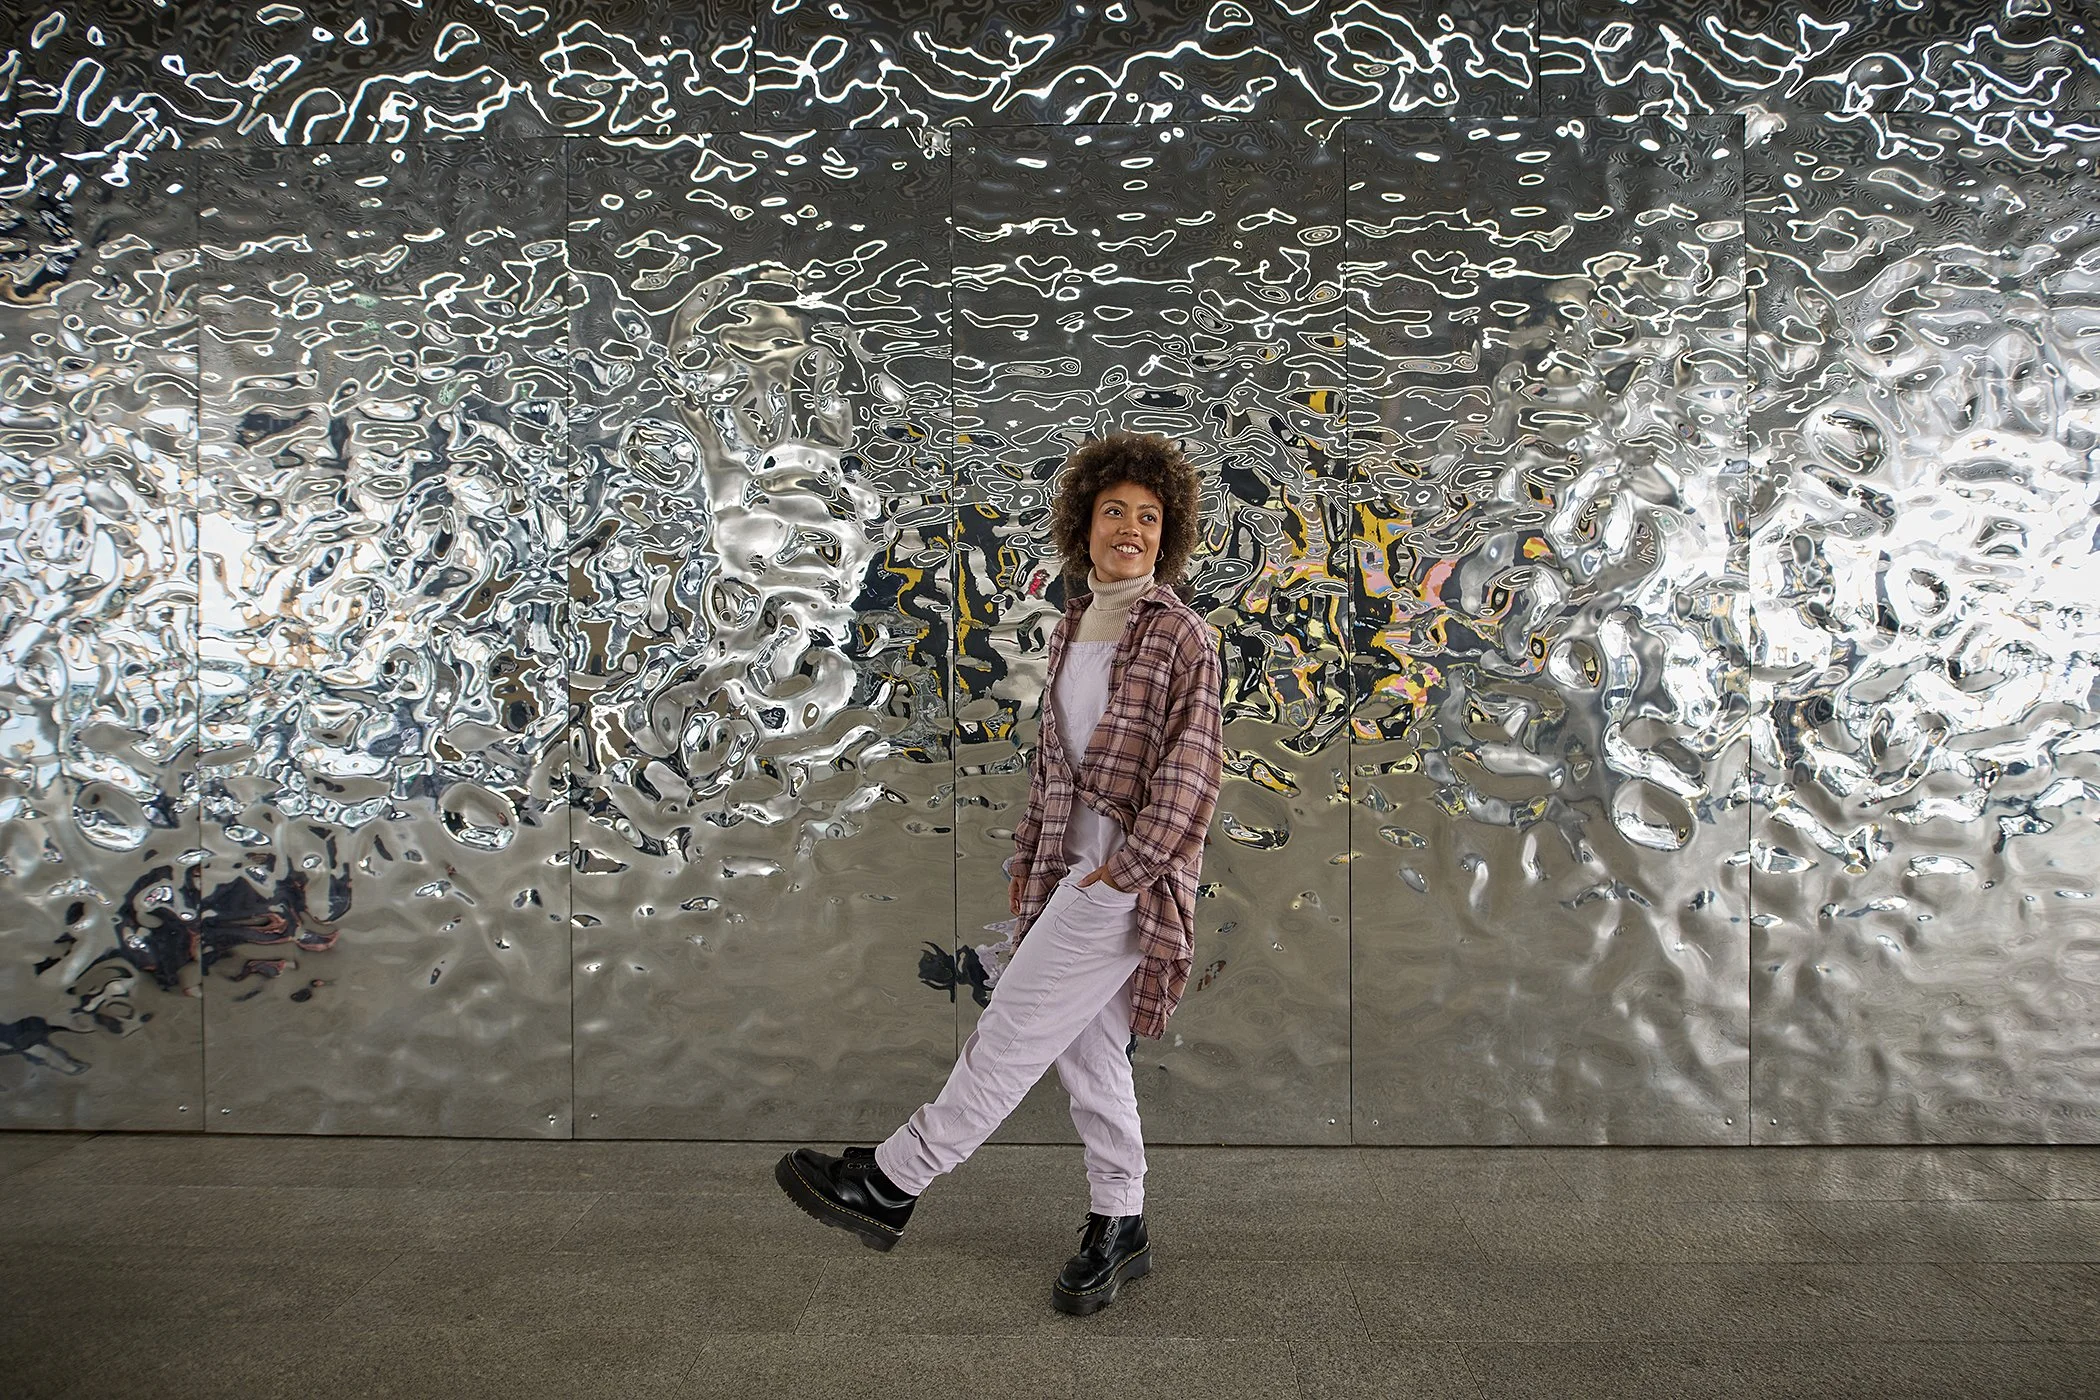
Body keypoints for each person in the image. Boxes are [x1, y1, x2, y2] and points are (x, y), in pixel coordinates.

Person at [774, 431, 1224, 1316]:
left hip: (1120, 884)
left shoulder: (1181, 635)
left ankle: (893, 1181)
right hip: (1070, 872)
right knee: (1092, 1059)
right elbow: (1055, 769)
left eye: (1148, 516)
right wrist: (1034, 866)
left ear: (1165, 535)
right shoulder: (1071, 628)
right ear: (1084, 525)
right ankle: (1120, 1222)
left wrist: (1125, 873)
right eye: (1112, 513)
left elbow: (1194, 769)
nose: (1129, 528)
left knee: (1013, 1031)